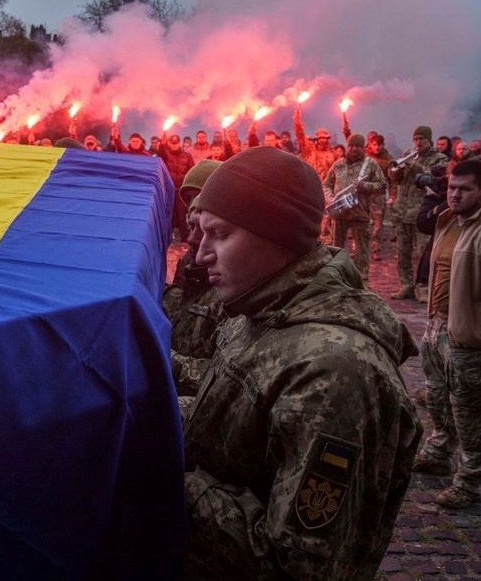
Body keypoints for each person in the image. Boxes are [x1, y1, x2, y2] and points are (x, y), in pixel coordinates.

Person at [182, 146, 422, 579]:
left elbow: (293, 565)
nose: (201, 254)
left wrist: (163, 474)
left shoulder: (335, 375)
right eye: (201, 234)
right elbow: (235, 416)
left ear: (276, 235)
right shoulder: (261, 311)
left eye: (219, 234)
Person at [412, 159, 481, 509]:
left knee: (469, 410)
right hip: (437, 327)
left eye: (464, 189)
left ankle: (469, 479)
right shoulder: (447, 221)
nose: (455, 195)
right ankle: (439, 451)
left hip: (470, 338)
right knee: (437, 397)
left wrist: (479, 325)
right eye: (451, 187)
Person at [164, 160, 226, 398]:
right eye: (189, 198)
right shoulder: (189, 261)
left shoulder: (234, 275)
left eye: (199, 196)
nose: (193, 205)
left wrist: (164, 360)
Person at [388, 126, 449, 300]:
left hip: (422, 212)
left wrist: (413, 165)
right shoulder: (409, 155)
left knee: (424, 253)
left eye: (421, 139)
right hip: (402, 211)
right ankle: (406, 285)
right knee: (402, 252)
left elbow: (436, 179)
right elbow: (394, 178)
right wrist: (398, 168)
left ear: (429, 140)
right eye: (415, 139)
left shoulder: (439, 157)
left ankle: (424, 288)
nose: (417, 142)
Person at [323, 134, 387, 281]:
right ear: (347, 146)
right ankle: (336, 278)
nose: (354, 149)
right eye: (351, 145)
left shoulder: (370, 164)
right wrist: (330, 199)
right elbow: (327, 184)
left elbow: (382, 186)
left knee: (361, 251)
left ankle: (360, 280)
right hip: (339, 213)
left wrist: (364, 186)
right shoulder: (338, 164)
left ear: (363, 147)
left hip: (361, 214)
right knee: (336, 248)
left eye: (358, 146)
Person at [156, 133, 195, 239]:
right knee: (169, 214)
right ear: (169, 143)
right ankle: (168, 238)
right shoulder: (165, 154)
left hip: (181, 190)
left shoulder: (187, 156)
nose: (174, 145)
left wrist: (188, 187)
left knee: (182, 216)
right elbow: (159, 158)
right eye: (172, 143)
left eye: (176, 143)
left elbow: (192, 171)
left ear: (179, 143)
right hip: (168, 190)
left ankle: (185, 239)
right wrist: (161, 145)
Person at [366, 134, 393, 260]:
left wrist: (392, 195)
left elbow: (393, 180)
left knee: (377, 225)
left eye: (379, 145)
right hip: (364, 195)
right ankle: (361, 248)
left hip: (379, 195)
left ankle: (376, 249)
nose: (377, 147)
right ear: (370, 144)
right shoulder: (364, 157)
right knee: (362, 223)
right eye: (375, 144)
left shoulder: (388, 160)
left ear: (383, 145)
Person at [294, 107, 336, 180]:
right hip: (311, 181)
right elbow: (300, 135)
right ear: (316, 139)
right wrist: (297, 119)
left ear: (327, 139)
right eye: (320, 138)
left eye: (324, 138)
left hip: (326, 184)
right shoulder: (310, 150)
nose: (322, 140)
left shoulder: (332, 153)